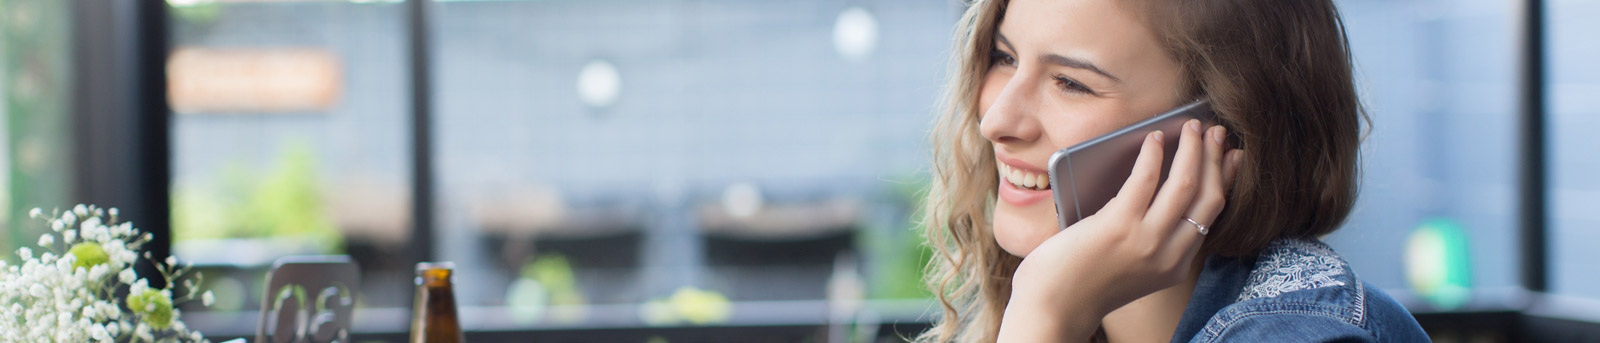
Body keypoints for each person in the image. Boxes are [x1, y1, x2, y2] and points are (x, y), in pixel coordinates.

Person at [914, 0, 1431, 341]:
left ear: (1221, 126)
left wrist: (1046, 311)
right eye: (1003, 57)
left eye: (1071, 82)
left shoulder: (1302, 331)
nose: (997, 120)